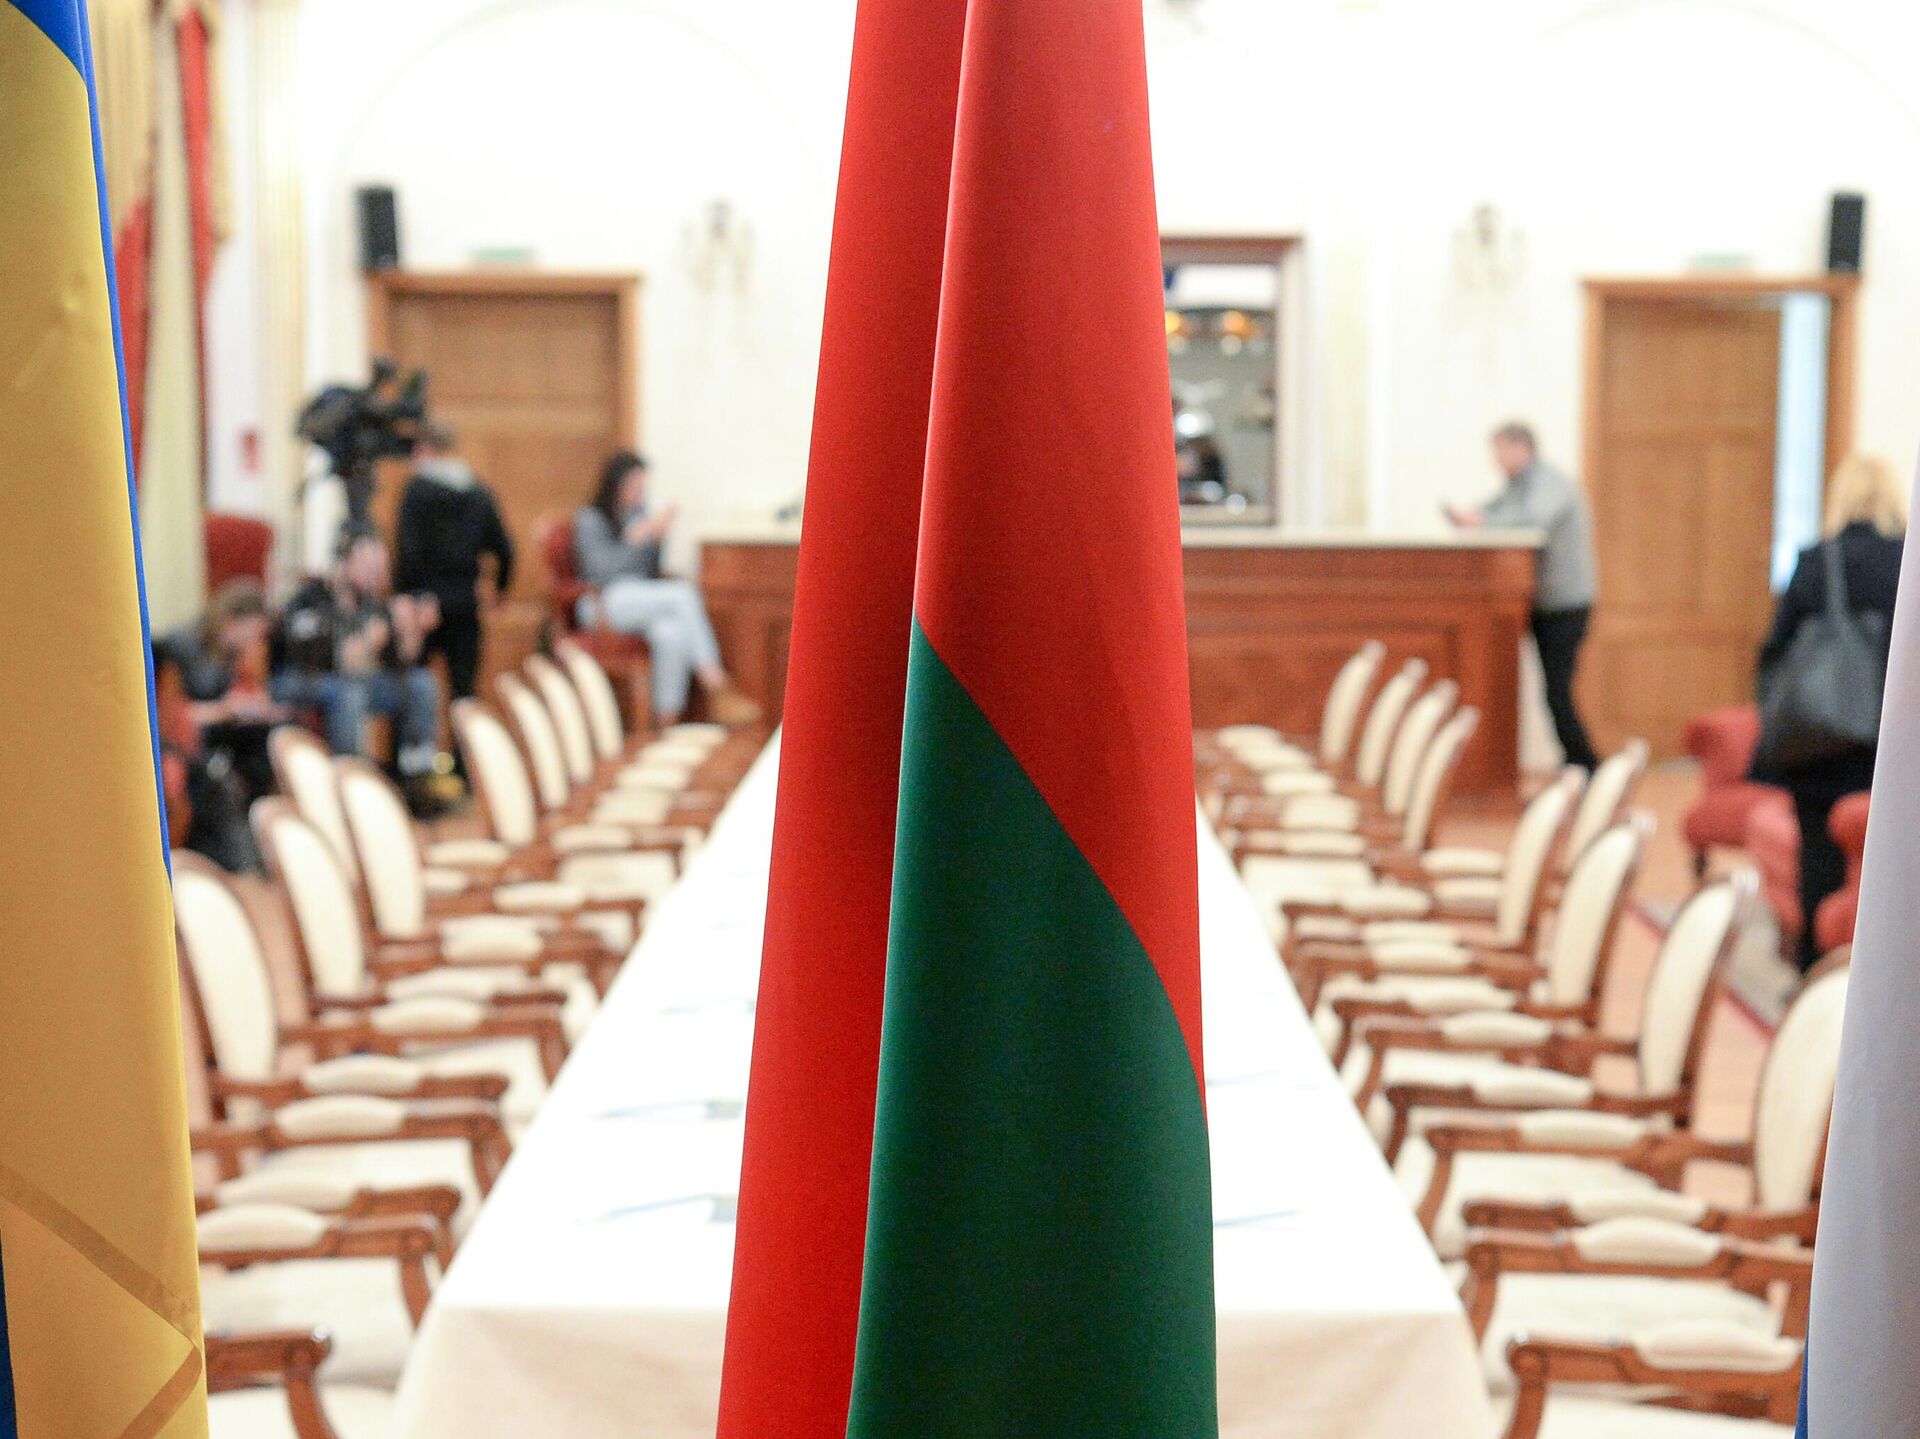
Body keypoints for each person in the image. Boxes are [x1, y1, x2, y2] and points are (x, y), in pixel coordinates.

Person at [1752, 453, 1905, 970]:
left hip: (1819, 738)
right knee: (1887, 858)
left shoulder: (1817, 561)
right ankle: (1879, 971)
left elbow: (1777, 647)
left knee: (1819, 854)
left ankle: (1815, 969)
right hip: (1888, 738)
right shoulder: (1908, 561)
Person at [1448, 422, 1599, 770]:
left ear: (1522, 448)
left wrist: (1480, 523)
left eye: (1500, 450)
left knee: (1557, 691)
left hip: (1565, 604)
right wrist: (1473, 517)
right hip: (1542, 602)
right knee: (1552, 691)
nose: (1495, 460)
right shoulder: (1518, 485)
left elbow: (1532, 522)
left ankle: (1587, 765)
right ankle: (1578, 765)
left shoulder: (1548, 484)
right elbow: (1492, 510)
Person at [573, 452, 762, 727]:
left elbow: (648, 572)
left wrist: (656, 539)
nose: (638, 494)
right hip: (602, 602)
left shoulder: (637, 515)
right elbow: (600, 573)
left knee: (670, 633)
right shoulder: (591, 519)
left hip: (636, 599)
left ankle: (666, 723)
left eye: (642, 488)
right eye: (634, 487)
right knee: (682, 594)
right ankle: (715, 683)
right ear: (615, 484)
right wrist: (633, 542)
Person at [271, 525, 449, 813]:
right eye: (369, 568)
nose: (376, 577)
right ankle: (352, 789)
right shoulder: (310, 599)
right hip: (298, 680)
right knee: (349, 692)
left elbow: (400, 662)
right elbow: (336, 660)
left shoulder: (371, 603)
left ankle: (417, 780)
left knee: (420, 683)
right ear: (344, 562)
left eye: (380, 569)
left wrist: (413, 629)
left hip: (354, 683)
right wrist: (369, 640)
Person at [394, 420, 515, 700]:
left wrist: (405, 596)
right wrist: (500, 589)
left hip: (423, 605)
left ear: (424, 449)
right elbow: (504, 549)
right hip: (464, 603)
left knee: (413, 689)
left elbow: (408, 553)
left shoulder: (416, 491)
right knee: (464, 691)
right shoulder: (478, 492)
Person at [163, 578, 287, 804]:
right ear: (234, 621)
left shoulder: (227, 653)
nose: (255, 642)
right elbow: (170, 714)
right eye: (255, 633)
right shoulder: (181, 647)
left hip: (216, 732)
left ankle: (262, 807)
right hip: (188, 741)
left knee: (266, 735)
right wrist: (226, 709)